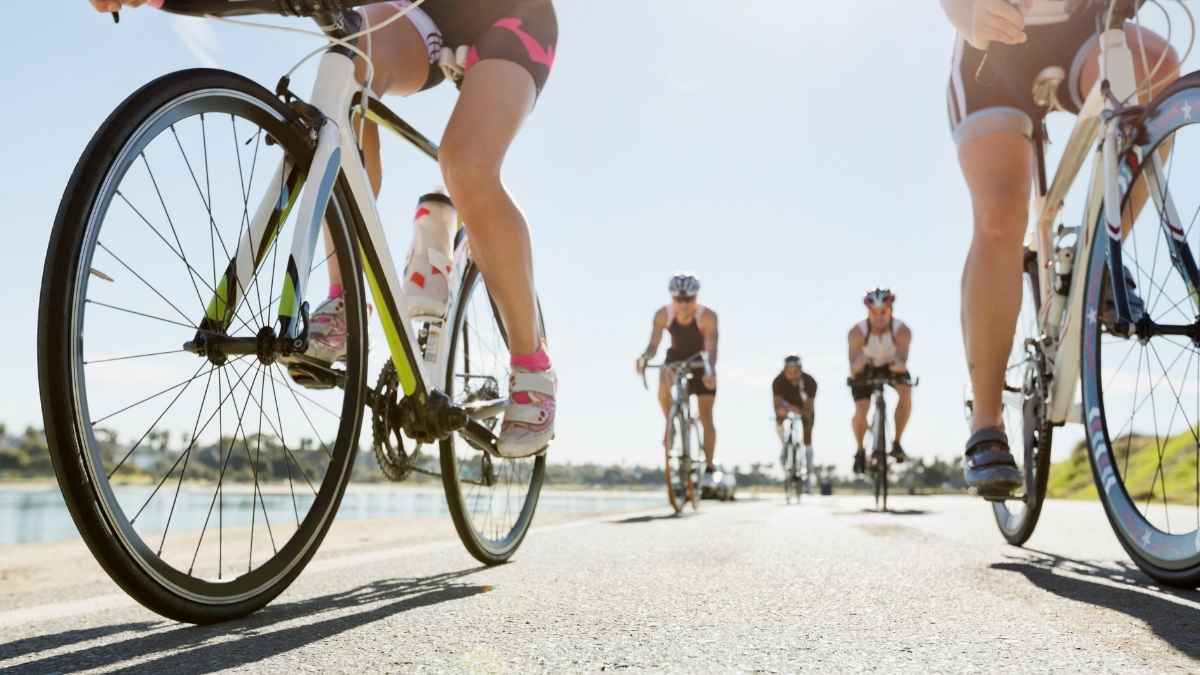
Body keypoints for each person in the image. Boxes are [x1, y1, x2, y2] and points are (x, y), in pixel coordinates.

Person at [91, 0, 560, 458]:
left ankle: (532, 367)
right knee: (347, 64)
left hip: (512, 15)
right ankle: (344, 302)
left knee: (466, 163)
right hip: (420, 12)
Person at [941, 0, 1178, 494]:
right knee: (1002, 215)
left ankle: (1101, 263)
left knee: (1157, 71)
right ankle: (986, 422)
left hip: (1084, 32)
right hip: (992, 55)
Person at [636, 274, 720, 475]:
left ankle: (709, 465)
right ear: (672, 298)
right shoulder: (663, 315)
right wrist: (644, 358)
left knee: (706, 416)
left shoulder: (707, 316)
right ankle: (671, 421)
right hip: (675, 358)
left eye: (688, 300)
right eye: (678, 300)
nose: (683, 305)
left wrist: (710, 370)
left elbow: (711, 347)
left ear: (696, 297)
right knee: (664, 375)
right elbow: (654, 345)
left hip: (701, 361)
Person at [848, 289, 912, 474]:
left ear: (890, 310)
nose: (879, 317)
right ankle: (860, 450)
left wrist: (895, 365)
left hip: (892, 366)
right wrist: (862, 363)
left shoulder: (902, 330)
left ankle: (897, 442)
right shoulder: (857, 332)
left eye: (883, 311)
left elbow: (902, 363)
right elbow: (853, 369)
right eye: (874, 312)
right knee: (862, 407)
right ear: (868, 312)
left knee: (906, 392)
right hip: (865, 368)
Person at [772, 355, 817, 488]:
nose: (792, 375)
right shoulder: (778, 381)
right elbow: (776, 405)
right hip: (786, 408)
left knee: (807, 434)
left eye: (795, 371)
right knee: (779, 418)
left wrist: (801, 391)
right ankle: (785, 446)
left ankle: (809, 472)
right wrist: (786, 409)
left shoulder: (809, 382)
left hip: (804, 408)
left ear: (800, 370)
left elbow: (808, 407)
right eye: (789, 372)